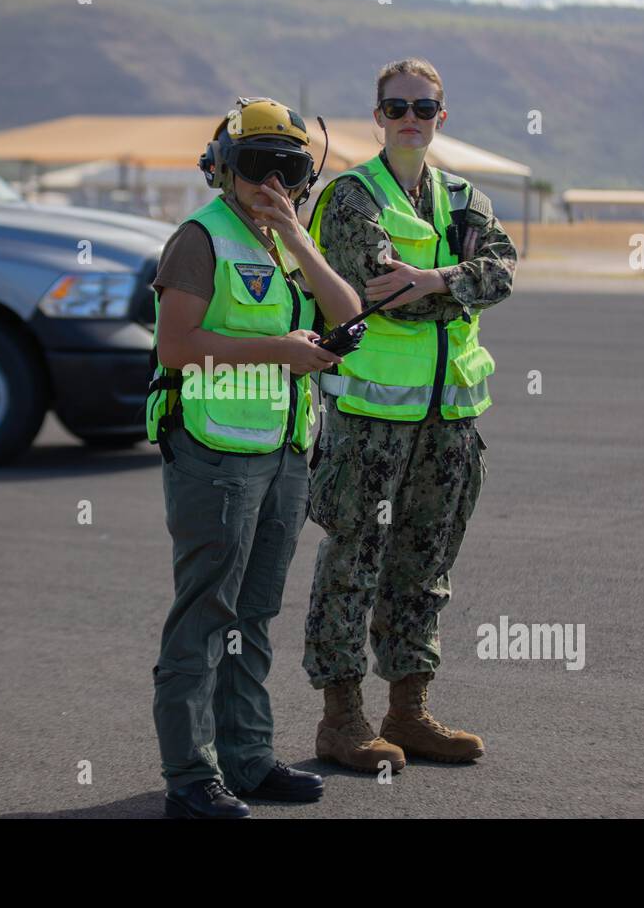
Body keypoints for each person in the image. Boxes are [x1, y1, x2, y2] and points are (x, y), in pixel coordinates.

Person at [146, 97, 361, 818]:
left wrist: (298, 237)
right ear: (221, 170)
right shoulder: (199, 239)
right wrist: (277, 351)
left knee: (255, 612)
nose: (272, 182)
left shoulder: (283, 241)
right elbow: (175, 347)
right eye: (255, 166)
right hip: (215, 451)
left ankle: (247, 759)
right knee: (206, 610)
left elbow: (346, 310)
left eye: (289, 168)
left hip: (282, 450)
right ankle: (190, 776)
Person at [302, 58, 516, 772]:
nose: (410, 120)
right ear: (378, 115)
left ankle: (409, 710)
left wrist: (433, 278)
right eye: (396, 107)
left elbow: (505, 270)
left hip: (449, 420)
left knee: (424, 566)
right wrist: (453, 283)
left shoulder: (463, 197)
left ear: (441, 117)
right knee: (352, 563)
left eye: (423, 108)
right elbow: (380, 290)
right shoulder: (350, 197)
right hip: (369, 419)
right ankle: (341, 720)